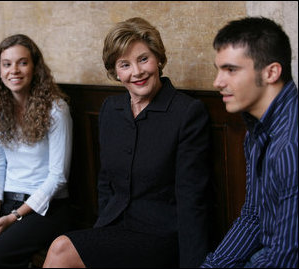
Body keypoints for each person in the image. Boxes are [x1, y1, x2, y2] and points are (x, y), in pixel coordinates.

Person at [43, 17, 211, 268]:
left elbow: (192, 199)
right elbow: (105, 181)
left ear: (159, 58)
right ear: (115, 72)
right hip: (114, 227)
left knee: (61, 250)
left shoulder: (186, 112)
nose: (137, 72)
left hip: (161, 235)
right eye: (125, 64)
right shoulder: (111, 109)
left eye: (143, 59)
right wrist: (100, 233)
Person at [0, 34, 73, 268]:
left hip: (45, 207)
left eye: (23, 62)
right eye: (7, 64)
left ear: (35, 67)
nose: (14, 70)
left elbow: (58, 177)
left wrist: (15, 216)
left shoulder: (57, 110)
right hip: (7, 201)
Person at [201, 17, 298, 268]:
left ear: (271, 72)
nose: (217, 82)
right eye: (218, 69)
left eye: (231, 70)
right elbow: (253, 217)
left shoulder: (291, 144)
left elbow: (285, 257)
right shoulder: (256, 132)